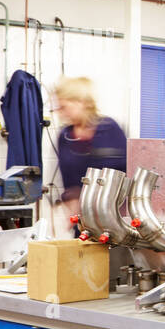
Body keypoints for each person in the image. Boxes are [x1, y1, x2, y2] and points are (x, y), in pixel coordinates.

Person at [53, 76, 127, 227]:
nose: (60, 113)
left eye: (64, 107)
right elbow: (68, 180)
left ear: (81, 102)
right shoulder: (65, 136)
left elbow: (123, 173)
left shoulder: (109, 129)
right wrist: (72, 202)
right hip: (83, 220)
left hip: (113, 218)